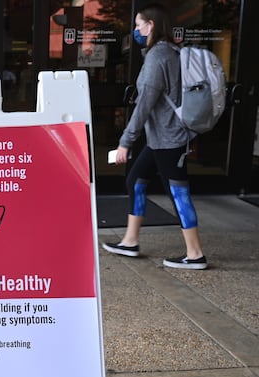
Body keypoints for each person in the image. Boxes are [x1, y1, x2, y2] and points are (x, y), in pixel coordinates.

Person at [102, 3, 207, 270]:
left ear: (151, 25)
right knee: (136, 180)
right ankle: (130, 240)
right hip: (160, 139)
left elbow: (144, 105)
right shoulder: (171, 52)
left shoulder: (158, 57)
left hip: (171, 140)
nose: (136, 30)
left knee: (178, 194)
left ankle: (195, 255)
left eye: (139, 25)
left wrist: (125, 141)